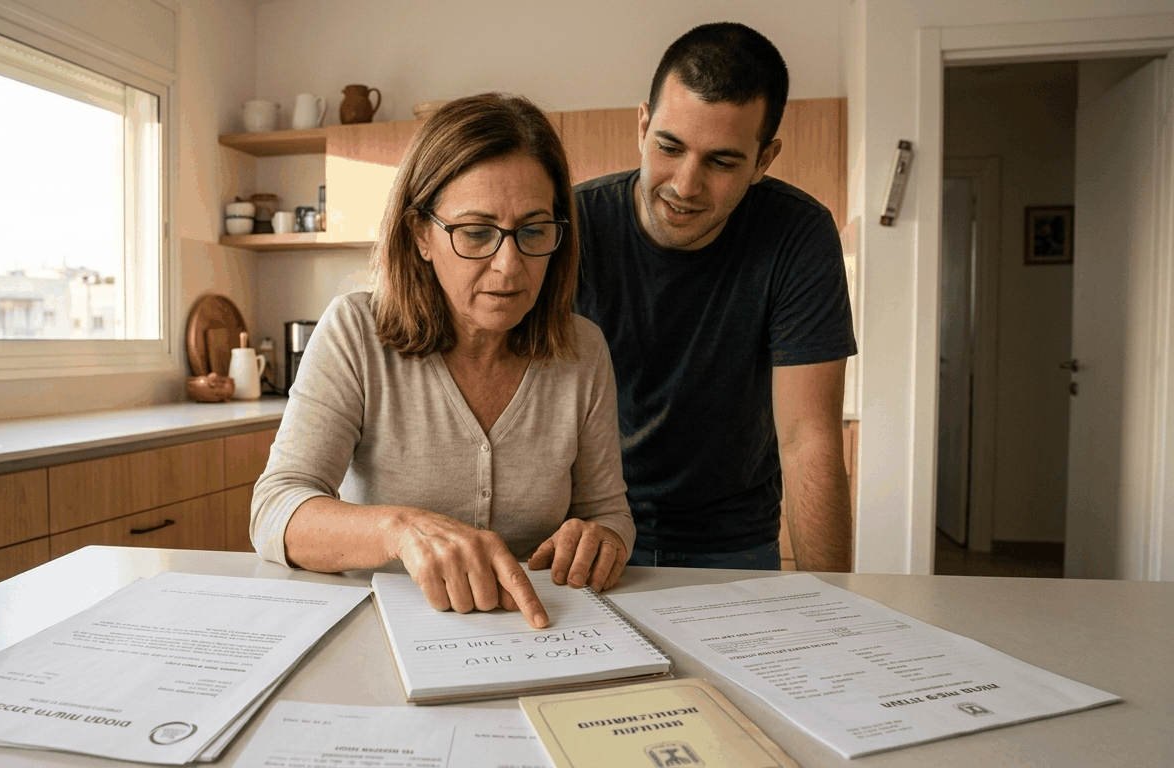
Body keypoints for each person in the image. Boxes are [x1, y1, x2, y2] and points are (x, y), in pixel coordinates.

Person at [251, 93, 634, 627]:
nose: (510, 265)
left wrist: (602, 538)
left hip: (539, 631)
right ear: (421, 235)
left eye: (533, 231)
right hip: (381, 627)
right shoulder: (355, 333)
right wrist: (399, 531)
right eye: (476, 233)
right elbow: (275, 510)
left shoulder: (582, 350)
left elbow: (608, 511)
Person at [574, 22, 857, 572]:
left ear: (764, 160)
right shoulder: (573, 226)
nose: (684, 185)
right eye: (669, 146)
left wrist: (832, 606)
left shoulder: (798, 234)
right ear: (642, 126)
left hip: (734, 541)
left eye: (722, 162)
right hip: (594, 531)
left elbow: (807, 439)